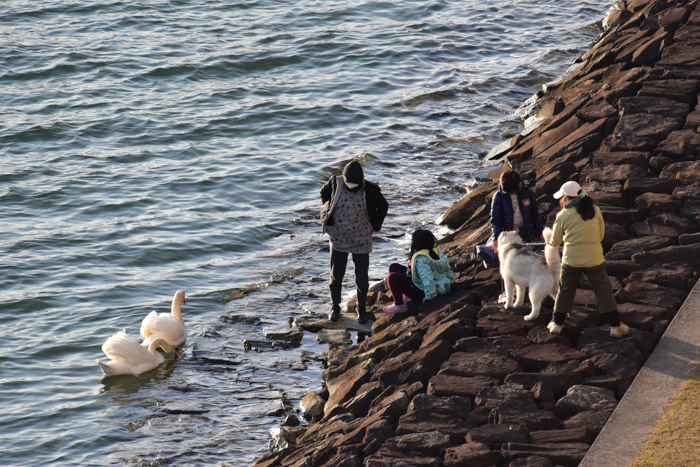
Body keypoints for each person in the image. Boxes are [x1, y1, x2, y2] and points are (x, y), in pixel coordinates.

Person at [547, 181, 629, 338]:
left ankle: (557, 324)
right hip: (594, 259)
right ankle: (615, 326)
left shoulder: (562, 215)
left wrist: (553, 241)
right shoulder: (595, 210)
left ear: (565, 198)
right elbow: (600, 235)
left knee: (565, 290)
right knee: (604, 291)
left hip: (571, 260)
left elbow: (556, 241)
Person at [320, 161, 388, 324]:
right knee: (336, 276)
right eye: (348, 183)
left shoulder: (370, 189)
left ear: (361, 181)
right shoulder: (335, 183)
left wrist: (374, 227)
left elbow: (383, 206)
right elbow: (323, 195)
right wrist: (329, 212)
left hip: (361, 238)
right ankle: (335, 307)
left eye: (354, 184)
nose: (351, 186)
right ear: (343, 178)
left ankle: (361, 309)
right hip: (338, 237)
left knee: (362, 277)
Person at [477, 170, 543, 269]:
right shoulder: (499, 196)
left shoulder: (527, 192)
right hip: (509, 234)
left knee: (527, 259)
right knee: (512, 262)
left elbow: (535, 213)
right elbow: (496, 219)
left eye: (511, 190)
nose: (509, 193)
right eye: (507, 191)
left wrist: (540, 231)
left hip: (526, 232)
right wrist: (496, 238)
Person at [382, 229, 454, 314]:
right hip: (432, 283)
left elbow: (428, 279)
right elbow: (448, 269)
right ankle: (406, 295)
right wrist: (450, 281)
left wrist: (429, 296)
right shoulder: (436, 251)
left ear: (417, 243)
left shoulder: (421, 259)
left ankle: (400, 305)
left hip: (422, 292)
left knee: (392, 277)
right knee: (394, 267)